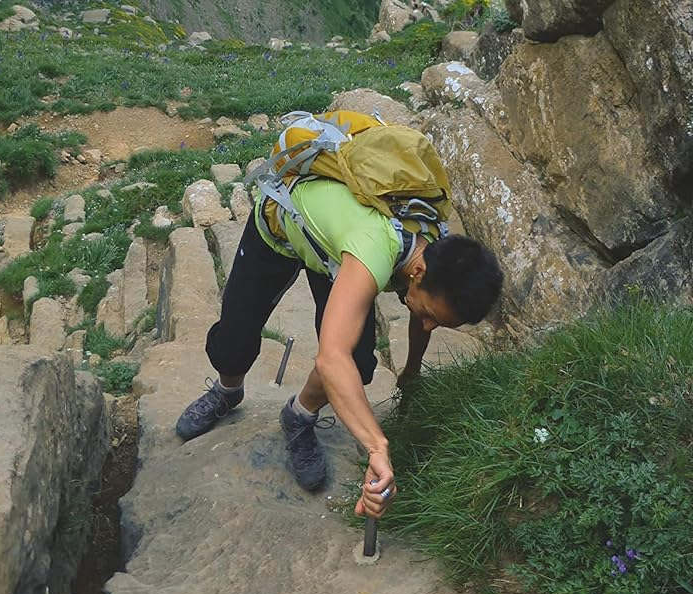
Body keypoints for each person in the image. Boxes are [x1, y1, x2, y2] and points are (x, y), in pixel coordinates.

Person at [175, 166, 504, 522]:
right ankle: (227, 391)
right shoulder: (375, 249)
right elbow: (332, 358)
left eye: (437, 322)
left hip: (332, 251)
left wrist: (410, 372)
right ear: (418, 273)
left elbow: (416, 317)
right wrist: (376, 446)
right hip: (281, 228)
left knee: (359, 365)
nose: (428, 324)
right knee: (234, 348)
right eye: (430, 315)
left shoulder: (430, 248)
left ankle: (298, 416)